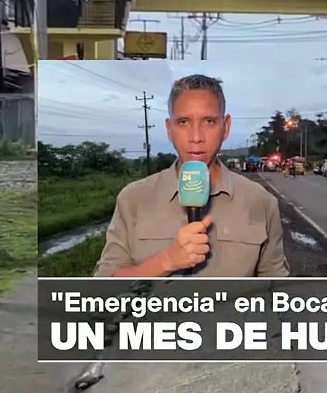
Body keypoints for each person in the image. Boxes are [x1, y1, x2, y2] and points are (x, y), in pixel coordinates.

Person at [94, 74, 289, 278]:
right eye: (184, 122)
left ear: (226, 127)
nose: (196, 138)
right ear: (170, 130)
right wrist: (166, 261)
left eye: (209, 121)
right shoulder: (133, 199)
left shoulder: (261, 202)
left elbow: (277, 291)